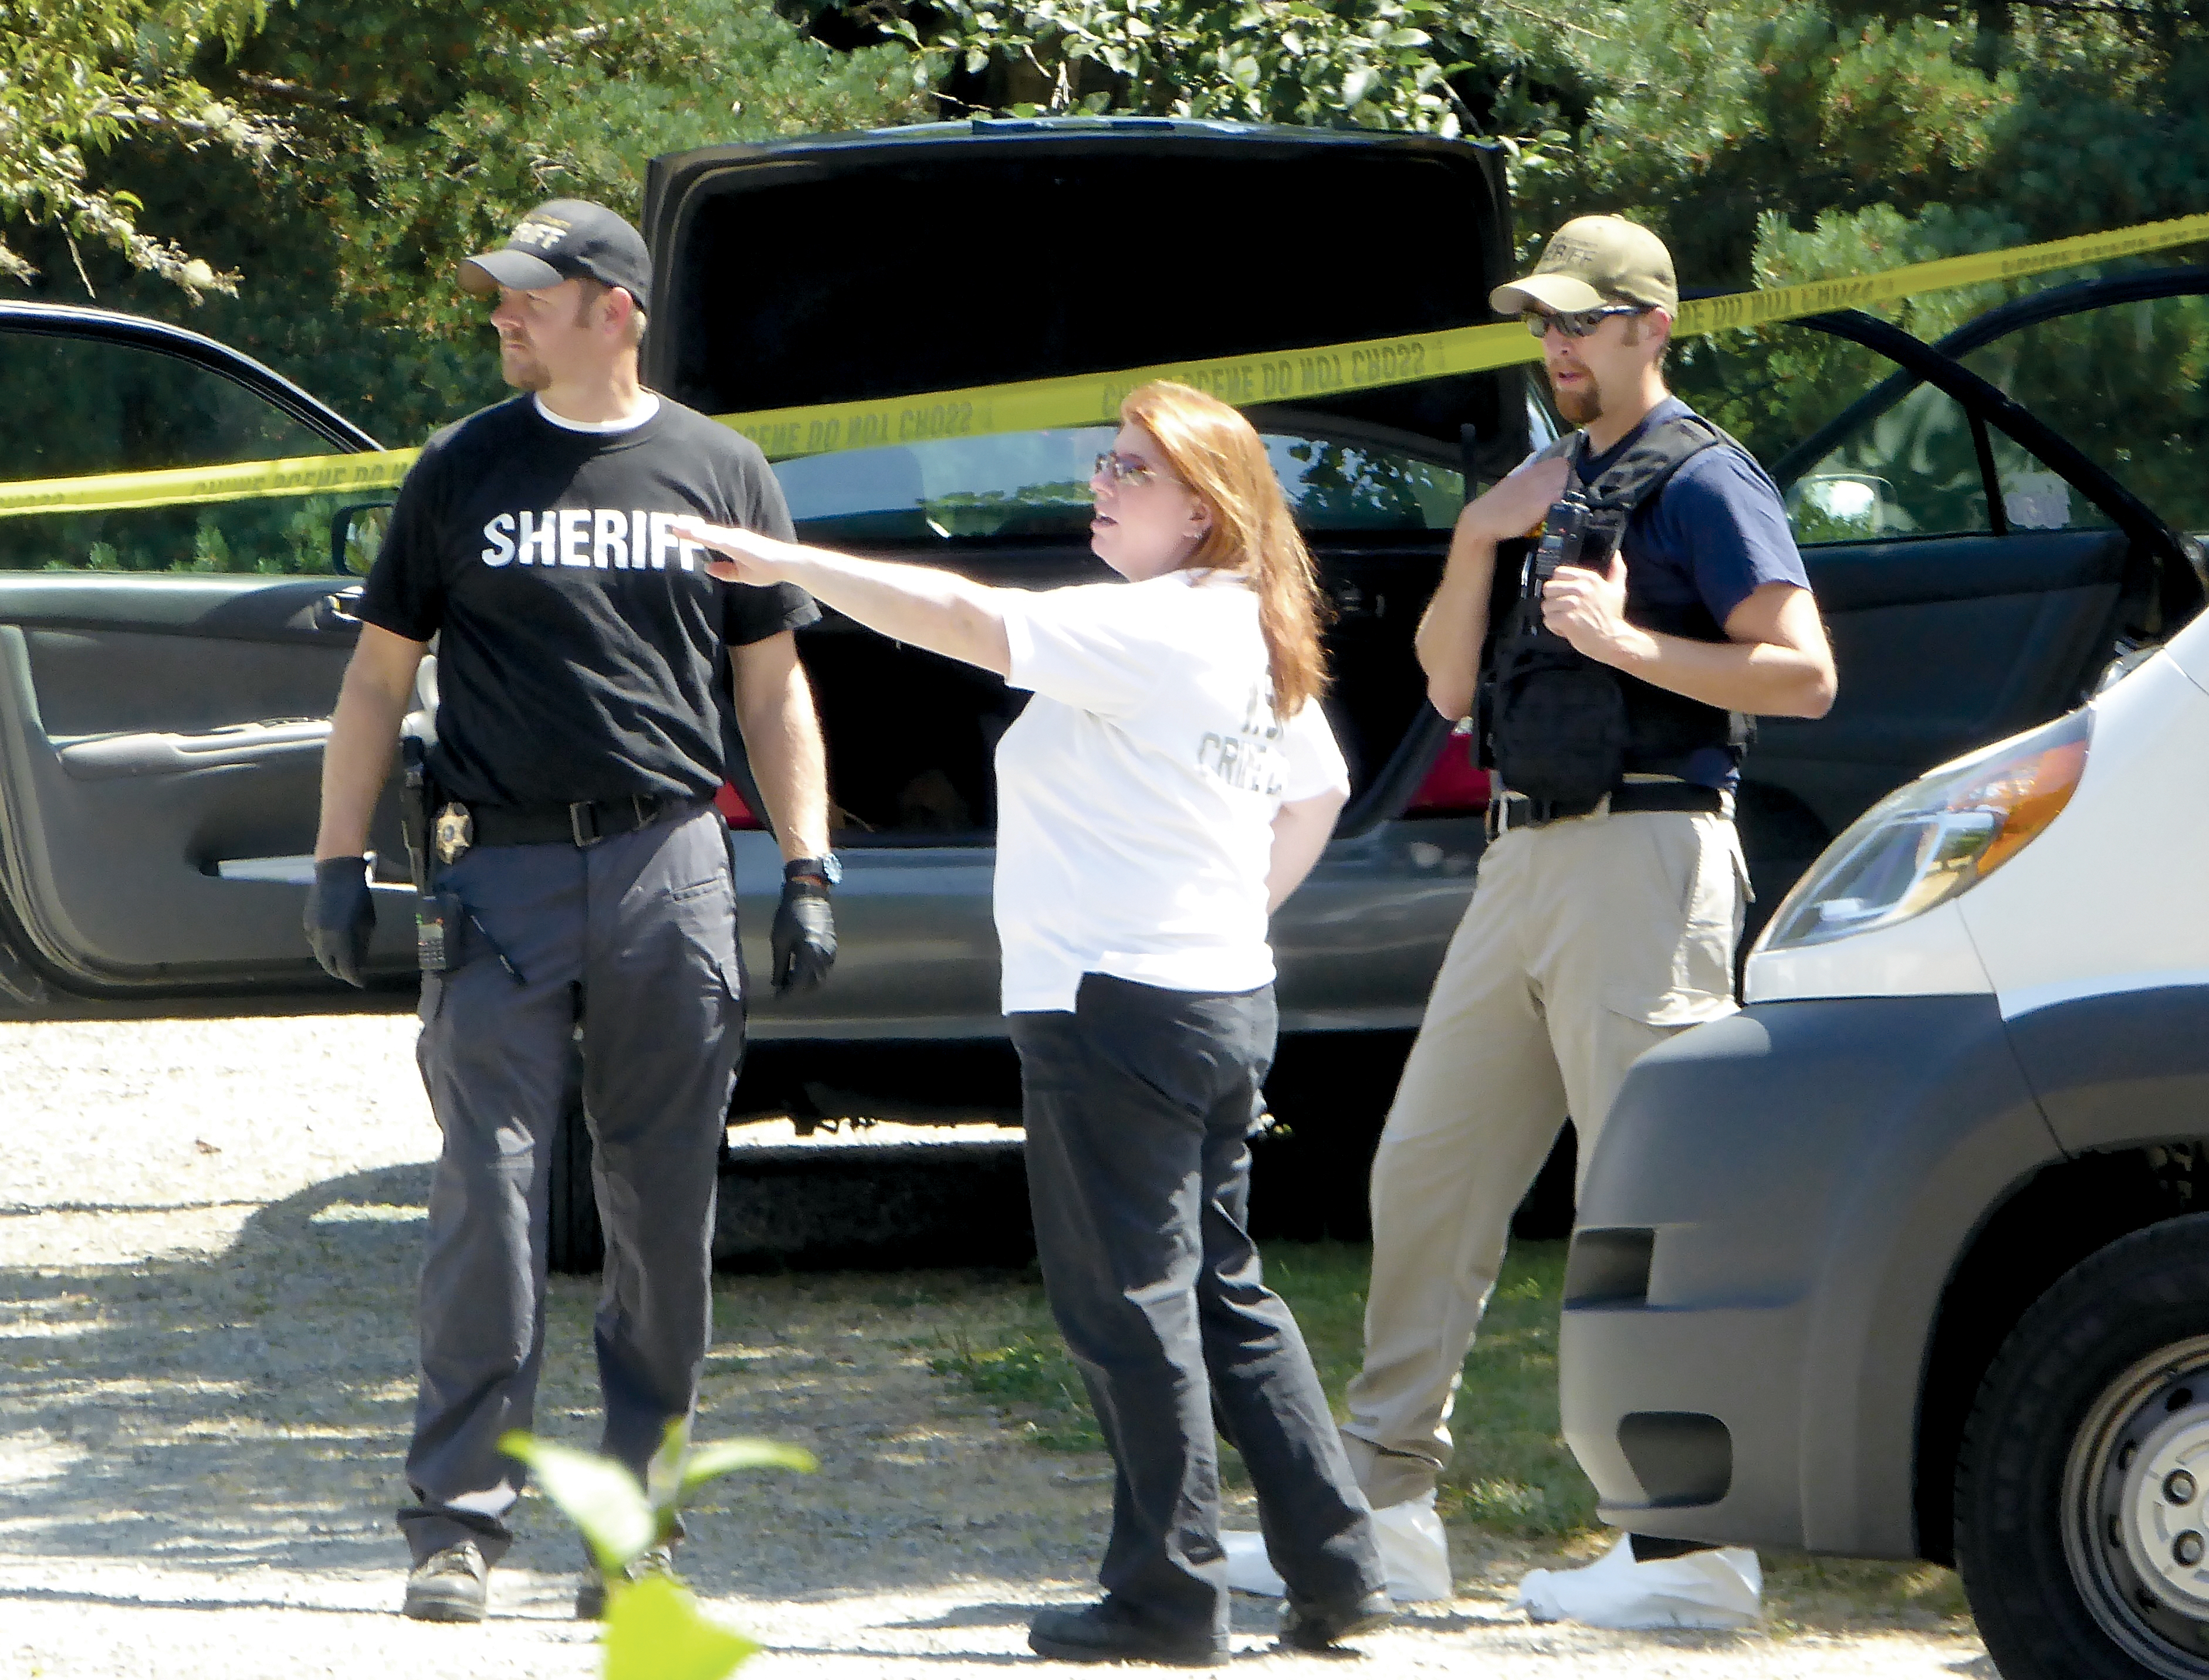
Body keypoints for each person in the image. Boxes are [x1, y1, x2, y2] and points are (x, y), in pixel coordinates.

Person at [672, 380, 1392, 1665]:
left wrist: (788, 563)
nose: (1101, 485)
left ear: (1203, 513)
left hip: (1116, 1006)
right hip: (1213, 995)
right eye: (1107, 463)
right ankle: (1333, 1569)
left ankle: (1166, 1598)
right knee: (1222, 1290)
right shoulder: (1250, 630)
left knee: (1132, 1304)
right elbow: (1319, 790)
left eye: (1131, 471)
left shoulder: (1159, 627)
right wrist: (1228, 912)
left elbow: (966, 615)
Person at [302, 199, 838, 1625]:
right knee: (487, 1194)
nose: (502, 314)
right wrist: (339, 861)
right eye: (497, 294)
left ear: (615, 306)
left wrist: (810, 864)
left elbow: (771, 682)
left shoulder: (719, 470)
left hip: (669, 864)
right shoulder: (461, 468)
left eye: (528, 294)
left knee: (662, 1211)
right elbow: (374, 678)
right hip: (499, 878)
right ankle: (458, 1523)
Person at [1336, 216, 1838, 1601]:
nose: (1555, 345)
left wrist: (1624, 643)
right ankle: (1379, 1521)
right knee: (1424, 1175)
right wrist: (1475, 533)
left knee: (1645, 1205)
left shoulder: (1701, 480)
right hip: (1521, 861)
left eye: (1580, 321)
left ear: (1648, 330)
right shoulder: (1550, 484)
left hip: (1647, 853)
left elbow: (1802, 676)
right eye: (1545, 324)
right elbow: (1446, 691)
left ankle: (1689, 1545)